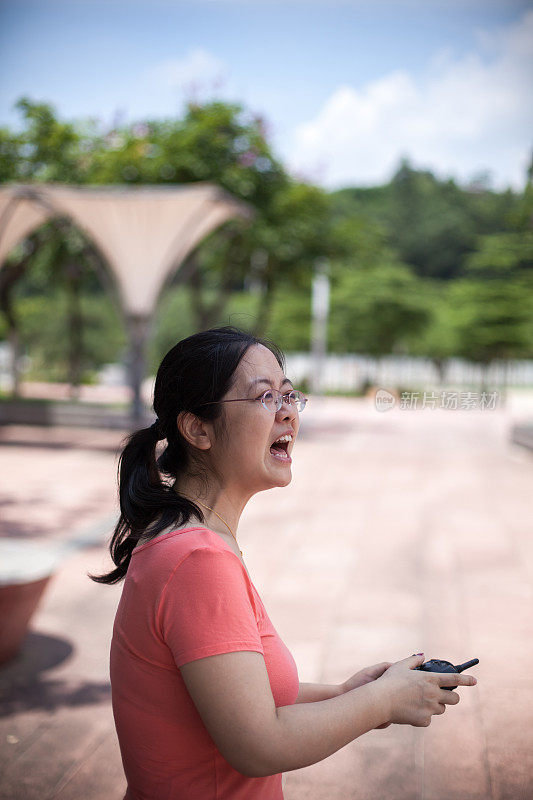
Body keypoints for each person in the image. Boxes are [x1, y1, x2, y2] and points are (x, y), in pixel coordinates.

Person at [91, 325, 477, 800]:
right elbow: (259, 744)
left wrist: (344, 696)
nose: (288, 411)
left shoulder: (186, 539)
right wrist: (381, 702)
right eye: (265, 397)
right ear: (197, 428)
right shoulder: (196, 559)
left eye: (290, 394)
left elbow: (239, 693)